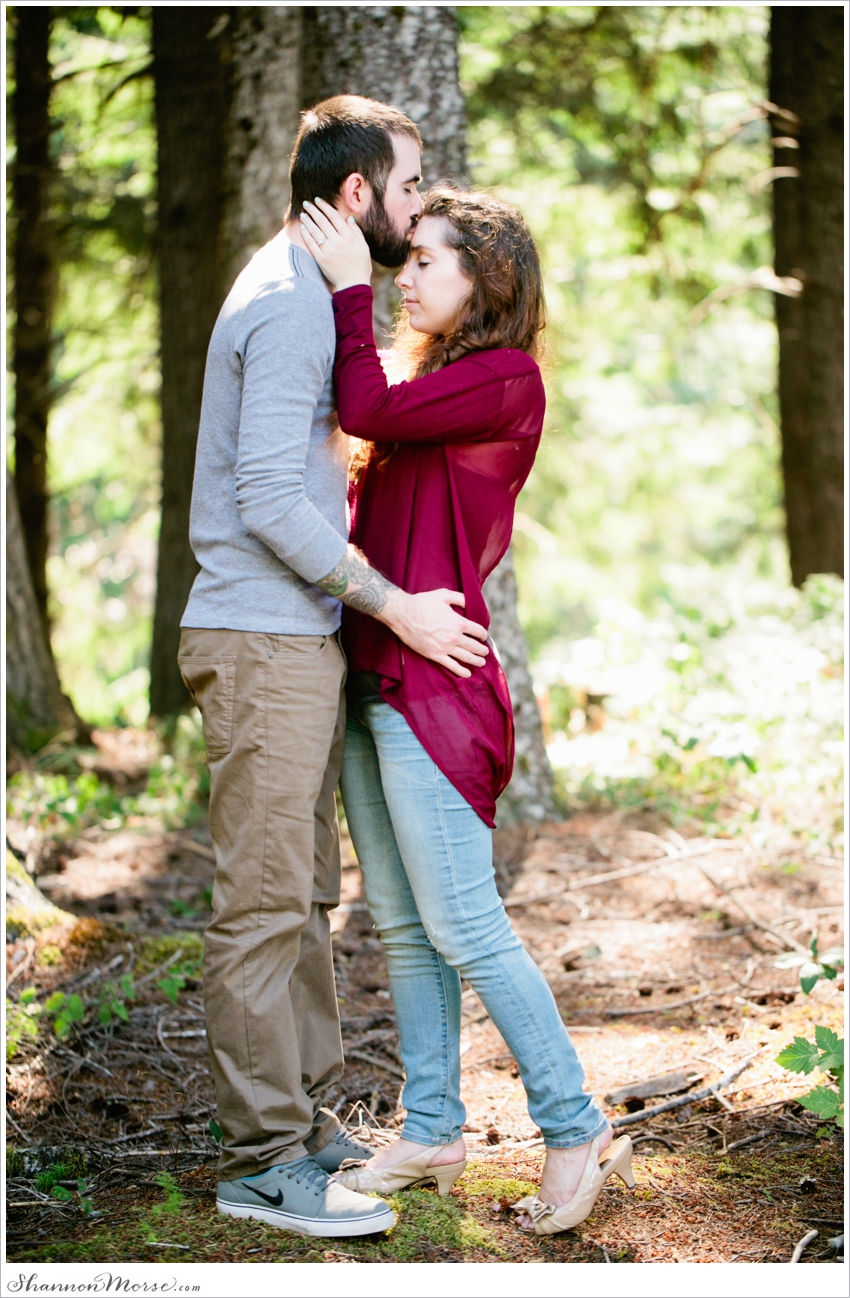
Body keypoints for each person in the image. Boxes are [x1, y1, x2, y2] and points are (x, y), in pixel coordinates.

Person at [178, 97, 490, 1239]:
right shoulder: (287, 301)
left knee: (304, 892)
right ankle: (261, 1161)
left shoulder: (318, 294)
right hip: (260, 635)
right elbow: (265, 498)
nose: (420, 207)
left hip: (293, 638)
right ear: (355, 196)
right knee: (264, 902)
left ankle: (302, 1124)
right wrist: (392, 600)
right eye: (408, 187)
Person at [299, 186, 635, 1235]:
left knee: (463, 923)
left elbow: (368, 411)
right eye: (406, 260)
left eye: (430, 260)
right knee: (402, 924)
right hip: (370, 670)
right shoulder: (433, 373)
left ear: (485, 281)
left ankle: (574, 1125)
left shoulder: (502, 377)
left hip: (435, 686)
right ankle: (435, 1123)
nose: (407, 272)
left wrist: (349, 294)